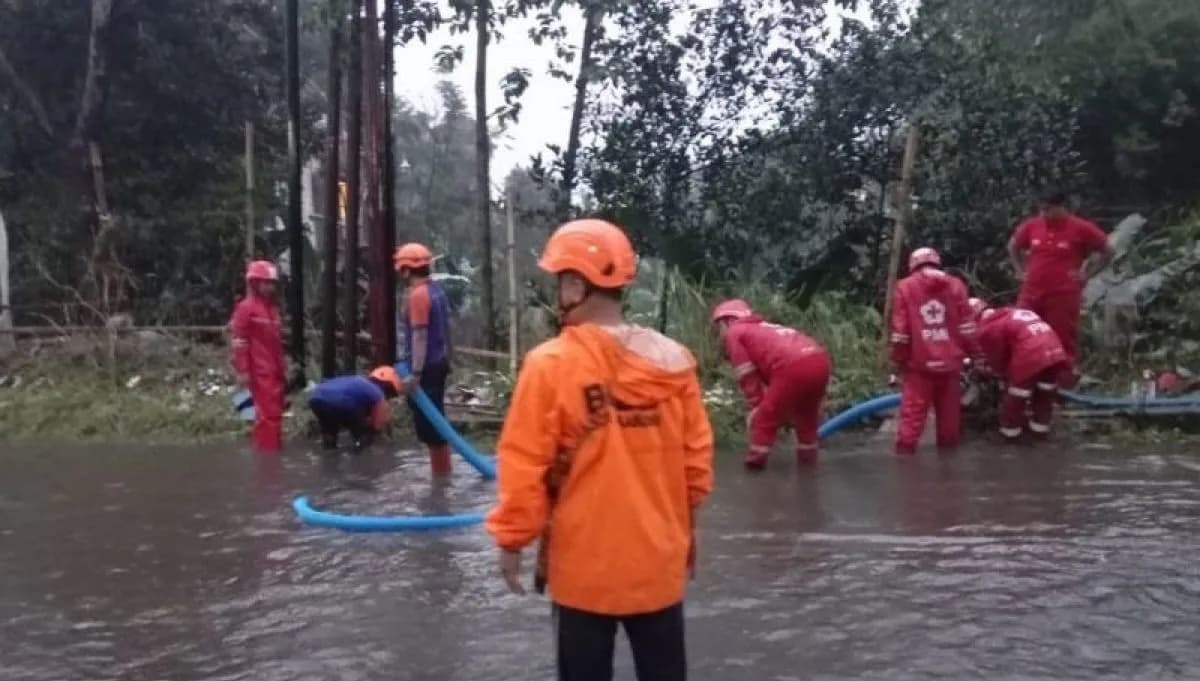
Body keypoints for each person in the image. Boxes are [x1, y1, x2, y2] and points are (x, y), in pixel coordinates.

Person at [485, 219, 714, 681]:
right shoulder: (673, 361)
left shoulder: (549, 365)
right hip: (658, 565)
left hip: (584, 573)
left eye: (560, 282)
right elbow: (696, 469)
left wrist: (512, 540)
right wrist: (685, 538)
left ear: (574, 284)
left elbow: (525, 464)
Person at [710, 299, 831, 469]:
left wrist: (757, 405)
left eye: (719, 327)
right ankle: (808, 466)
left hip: (793, 366)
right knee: (807, 417)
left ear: (728, 321)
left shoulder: (735, 332)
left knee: (763, 419)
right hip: (820, 361)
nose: (720, 334)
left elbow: (746, 373)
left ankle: (754, 469)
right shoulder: (764, 327)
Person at [1008, 190, 1114, 383]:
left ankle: (1061, 384)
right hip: (1031, 292)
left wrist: (1087, 274)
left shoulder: (1081, 228)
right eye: (1041, 209)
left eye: (1048, 209)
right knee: (1022, 330)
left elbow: (1108, 250)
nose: (1044, 214)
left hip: (1063, 294)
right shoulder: (1032, 226)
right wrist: (1020, 271)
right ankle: (1026, 376)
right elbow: (1014, 246)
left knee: (1062, 338)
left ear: (1061, 207)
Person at [889, 247, 977, 456]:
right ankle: (948, 472)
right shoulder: (956, 285)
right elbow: (967, 328)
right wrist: (976, 356)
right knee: (949, 424)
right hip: (951, 365)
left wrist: (898, 361)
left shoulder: (905, 287)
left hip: (919, 365)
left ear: (913, 264)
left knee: (911, 424)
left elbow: (901, 333)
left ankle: (904, 472)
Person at [970, 298, 1070, 442]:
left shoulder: (989, 327)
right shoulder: (1011, 313)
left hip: (1031, 353)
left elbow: (997, 357)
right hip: (1054, 350)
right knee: (1045, 391)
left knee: (1017, 394)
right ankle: (1039, 432)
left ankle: (1009, 434)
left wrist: (994, 371)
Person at [394, 242, 454, 476]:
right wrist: (451, 355)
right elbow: (448, 327)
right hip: (439, 363)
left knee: (431, 428)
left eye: (401, 270)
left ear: (407, 270)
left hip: (426, 368)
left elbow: (419, 336)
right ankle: (443, 477)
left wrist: (415, 374)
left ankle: (441, 482)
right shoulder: (436, 291)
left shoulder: (418, 296)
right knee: (437, 423)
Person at [229, 260, 286, 453]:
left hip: (274, 370)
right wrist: (243, 370)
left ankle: (270, 454)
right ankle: (268, 460)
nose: (270, 287)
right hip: (258, 371)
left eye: (272, 283)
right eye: (265, 282)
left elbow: (277, 343)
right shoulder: (246, 308)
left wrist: (282, 370)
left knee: (274, 415)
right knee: (267, 416)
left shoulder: (272, 309)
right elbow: (239, 341)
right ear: (254, 283)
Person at [308, 366, 403, 451]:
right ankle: (360, 461)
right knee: (365, 437)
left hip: (316, 398)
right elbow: (376, 425)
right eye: (391, 394)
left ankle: (329, 454)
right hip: (344, 402)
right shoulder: (377, 393)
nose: (389, 398)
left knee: (329, 433)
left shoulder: (358, 381)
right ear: (387, 386)